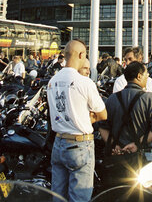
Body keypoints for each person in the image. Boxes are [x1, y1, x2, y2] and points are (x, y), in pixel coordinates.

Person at [47, 39, 107, 202]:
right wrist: (85, 118)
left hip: (58, 143)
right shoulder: (84, 82)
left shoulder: (52, 82)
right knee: (79, 197)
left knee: (58, 196)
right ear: (81, 55)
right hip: (80, 144)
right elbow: (103, 114)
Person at [99, 61, 152, 184]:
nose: (148, 77)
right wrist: (137, 144)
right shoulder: (150, 98)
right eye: (146, 74)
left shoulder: (112, 99)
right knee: (149, 195)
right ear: (139, 76)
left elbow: (102, 127)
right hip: (143, 157)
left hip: (116, 158)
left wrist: (114, 145)